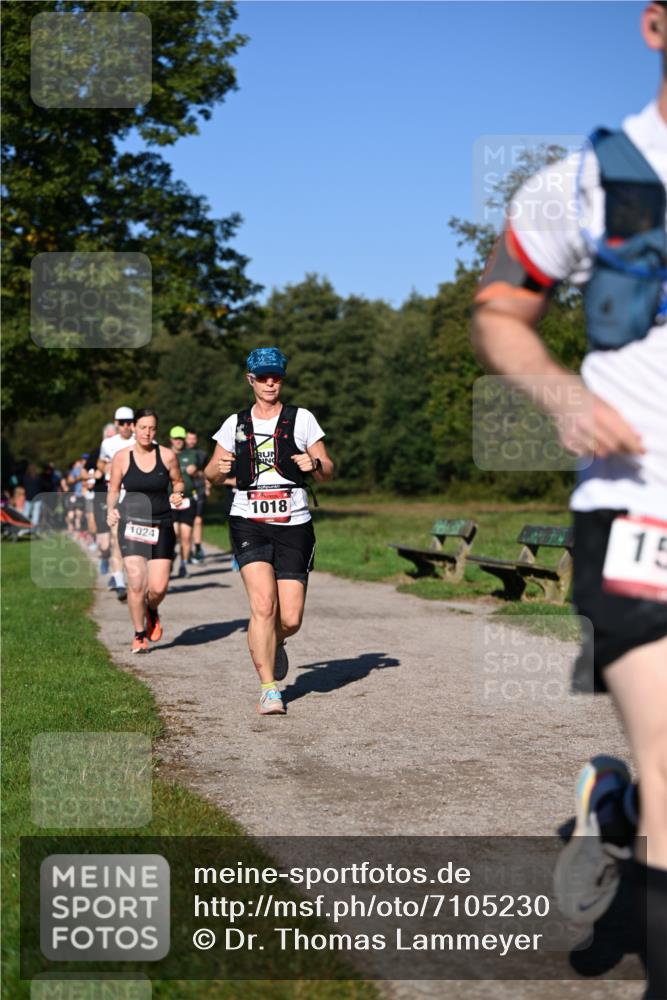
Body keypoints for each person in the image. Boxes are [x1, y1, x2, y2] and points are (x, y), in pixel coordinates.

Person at [471, 6, 667, 996]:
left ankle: (615, 810)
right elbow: (501, 309)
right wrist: (562, 396)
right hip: (638, 510)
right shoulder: (586, 181)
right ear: (655, 25)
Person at [205, 347, 334, 715]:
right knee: (263, 605)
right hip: (249, 519)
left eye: (276, 376)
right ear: (251, 380)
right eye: (263, 377)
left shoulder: (302, 419)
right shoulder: (235, 424)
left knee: (290, 618)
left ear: (282, 379)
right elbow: (210, 473)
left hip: (294, 523)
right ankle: (268, 689)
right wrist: (219, 469)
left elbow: (328, 469)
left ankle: (273, 642)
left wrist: (316, 463)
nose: (270, 383)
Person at [106, 408, 185, 654]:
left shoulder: (167, 456)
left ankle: (151, 609)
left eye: (152, 428)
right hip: (132, 524)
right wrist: (111, 509)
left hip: (161, 524)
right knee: (136, 583)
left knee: (158, 588)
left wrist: (177, 493)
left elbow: (178, 481)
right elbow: (113, 489)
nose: (147, 433)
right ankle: (139, 634)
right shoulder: (121, 457)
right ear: (134, 428)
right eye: (142, 427)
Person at [98, 407, 135, 600]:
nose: (126, 426)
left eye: (129, 422)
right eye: (122, 423)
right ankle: (120, 582)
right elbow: (101, 462)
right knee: (116, 539)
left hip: (138, 498)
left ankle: (138, 580)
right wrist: (104, 468)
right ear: (116, 423)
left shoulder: (142, 440)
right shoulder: (108, 443)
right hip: (116, 496)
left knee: (137, 542)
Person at [168, 425, 203, 578]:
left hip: (188, 500)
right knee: (173, 534)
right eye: (176, 439)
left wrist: (195, 472)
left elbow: (200, 475)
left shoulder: (192, 455)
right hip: (170, 500)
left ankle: (183, 565)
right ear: (171, 440)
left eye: (181, 439)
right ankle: (169, 558)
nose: (178, 441)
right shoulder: (166, 455)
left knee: (186, 536)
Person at [185, 429, 209, 564]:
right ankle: (185, 550)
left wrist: (208, 487)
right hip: (184, 490)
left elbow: (208, 473)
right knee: (185, 523)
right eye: (189, 438)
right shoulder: (179, 453)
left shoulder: (202, 454)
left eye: (194, 438)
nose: (192, 441)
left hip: (199, 488)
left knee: (198, 520)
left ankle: (198, 548)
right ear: (185, 439)